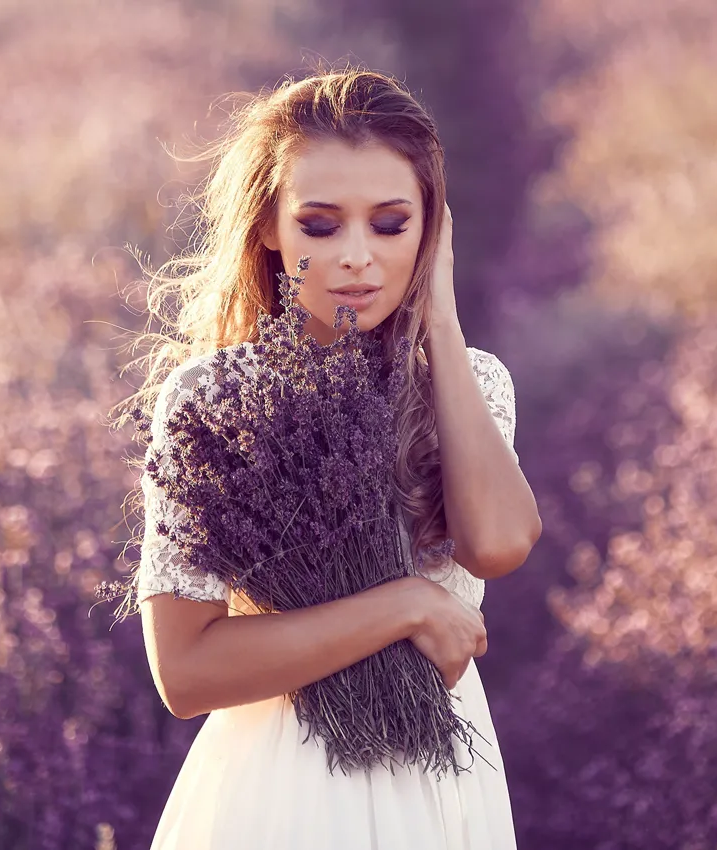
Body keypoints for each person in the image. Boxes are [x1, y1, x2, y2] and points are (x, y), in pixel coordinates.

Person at [119, 63, 542, 849]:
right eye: (320, 225)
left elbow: (498, 545)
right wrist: (404, 606)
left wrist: (440, 323)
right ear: (270, 229)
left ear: (432, 230)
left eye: (390, 224)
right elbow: (185, 674)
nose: (357, 256)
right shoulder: (214, 401)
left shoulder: (472, 382)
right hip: (287, 785)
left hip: (445, 783)